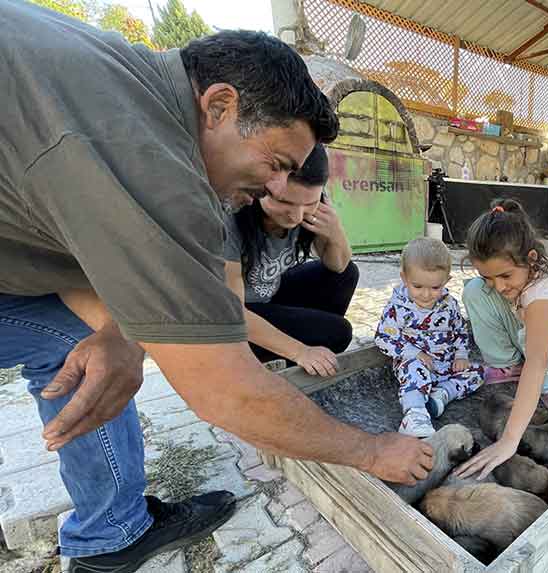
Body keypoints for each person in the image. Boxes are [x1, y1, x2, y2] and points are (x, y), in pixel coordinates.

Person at [0, 4, 432, 572]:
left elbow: (65, 238)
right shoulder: (147, 155)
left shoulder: (126, 84)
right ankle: (110, 532)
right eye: (276, 163)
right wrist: (374, 450)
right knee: (90, 351)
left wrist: (122, 328)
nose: (275, 187)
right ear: (219, 105)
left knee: (90, 344)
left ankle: (112, 528)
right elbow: (224, 391)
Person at [454, 199, 548, 479]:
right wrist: (488, 282)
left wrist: (509, 440)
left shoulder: (541, 294)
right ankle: (509, 366)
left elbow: (538, 360)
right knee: (473, 291)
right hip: (528, 332)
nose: (499, 286)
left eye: (505, 275)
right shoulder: (507, 282)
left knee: (541, 347)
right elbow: (494, 288)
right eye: (489, 276)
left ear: (531, 259)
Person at [223, 143, 357, 377]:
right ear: (261, 185)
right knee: (338, 333)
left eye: (309, 204)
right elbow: (232, 313)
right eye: (284, 202)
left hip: (269, 295)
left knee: (346, 274)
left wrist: (335, 230)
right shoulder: (231, 217)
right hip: (236, 318)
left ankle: (296, 343)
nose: (295, 216)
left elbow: (339, 265)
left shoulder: (312, 203)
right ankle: (264, 358)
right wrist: (300, 351)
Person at [375, 238, 484, 437]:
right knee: (413, 372)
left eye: (435, 288)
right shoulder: (397, 308)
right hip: (416, 365)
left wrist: (461, 355)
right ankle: (414, 414)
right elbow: (383, 338)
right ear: (404, 278)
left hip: (446, 365)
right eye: (417, 286)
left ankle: (441, 395)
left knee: (477, 372)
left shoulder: (449, 304)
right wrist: (414, 353)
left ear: (446, 281)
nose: (426, 294)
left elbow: (460, 330)